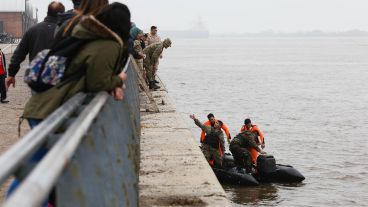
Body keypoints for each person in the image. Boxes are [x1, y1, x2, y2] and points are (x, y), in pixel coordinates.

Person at [7, 3, 132, 203]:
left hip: (43, 104)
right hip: (49, 108)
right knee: (40, 169)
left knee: (42, 167)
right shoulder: (108, 44)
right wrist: (119, 80)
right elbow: (96, 81)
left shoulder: (84, 33)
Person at [6, 1, 65, 89]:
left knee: (38, 100)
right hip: (58, 77)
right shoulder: (66, 31)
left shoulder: (32, 30)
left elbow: (19, 54)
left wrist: (11, 74)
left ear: (47, 12)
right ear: (62, 14)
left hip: (36, 77)